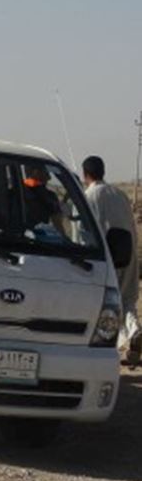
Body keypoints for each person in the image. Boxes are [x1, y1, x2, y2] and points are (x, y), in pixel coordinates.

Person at [83, 155, 140, 366]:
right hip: (129, 254)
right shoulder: (120, 194)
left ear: (85, 174)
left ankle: (126, 340)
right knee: (127, 300)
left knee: (109, 305)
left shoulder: (88, 197)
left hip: (107, 258)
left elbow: (83, 232)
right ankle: (134, 332)